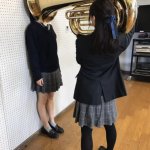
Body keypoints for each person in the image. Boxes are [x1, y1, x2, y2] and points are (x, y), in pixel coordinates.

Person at [73, 0, 134, 149]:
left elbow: (80, 60)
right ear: (112, 17)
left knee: (86, 131)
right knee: (110, 125)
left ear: (93, 18)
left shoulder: (81, 42)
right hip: (106, 92)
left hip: (87, 91)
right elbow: (130, 30)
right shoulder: (118, 42)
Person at [25, 11, 64, 139]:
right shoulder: (31, 29)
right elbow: (33, 54)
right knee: (42, 101)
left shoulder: (49, 27)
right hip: (42, 72)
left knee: (51, 97)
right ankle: (46, 127)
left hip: (54, 70)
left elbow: (54, 51)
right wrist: (37, 75)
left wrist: (58, 70)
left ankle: (52, 122)